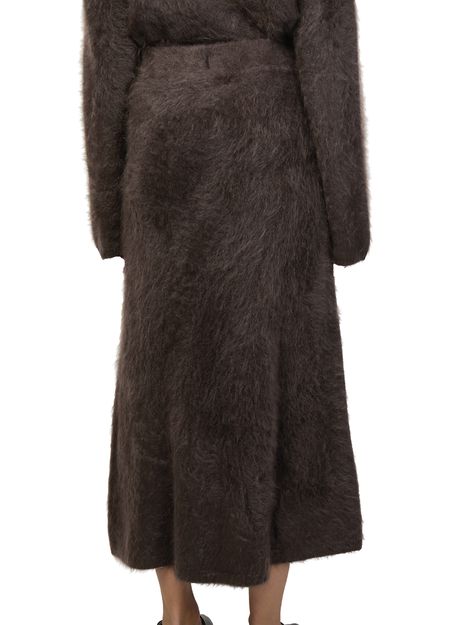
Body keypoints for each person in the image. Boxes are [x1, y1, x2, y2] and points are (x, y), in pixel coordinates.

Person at [82, 1, 370, 623]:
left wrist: (109, 216)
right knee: (277, 377)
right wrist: (349, 222)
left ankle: (177, 614)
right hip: (271, 154)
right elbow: (327, 54)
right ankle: (265, 620)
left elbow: (108, 57)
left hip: (163, 146)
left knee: (162, 384)